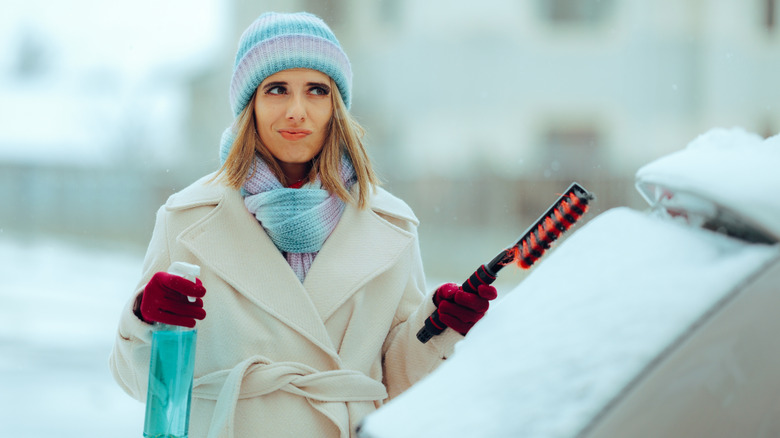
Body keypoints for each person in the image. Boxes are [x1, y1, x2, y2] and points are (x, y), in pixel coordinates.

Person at [109, 11, 497, 438]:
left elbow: (397, 382)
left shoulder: (392, 227)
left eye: (316, 90)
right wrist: (145, 319)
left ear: (336, 106)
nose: (297, 111)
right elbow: (138, 383)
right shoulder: (186, 220)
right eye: (277, 89)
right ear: (249, 104)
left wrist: (441, 325)